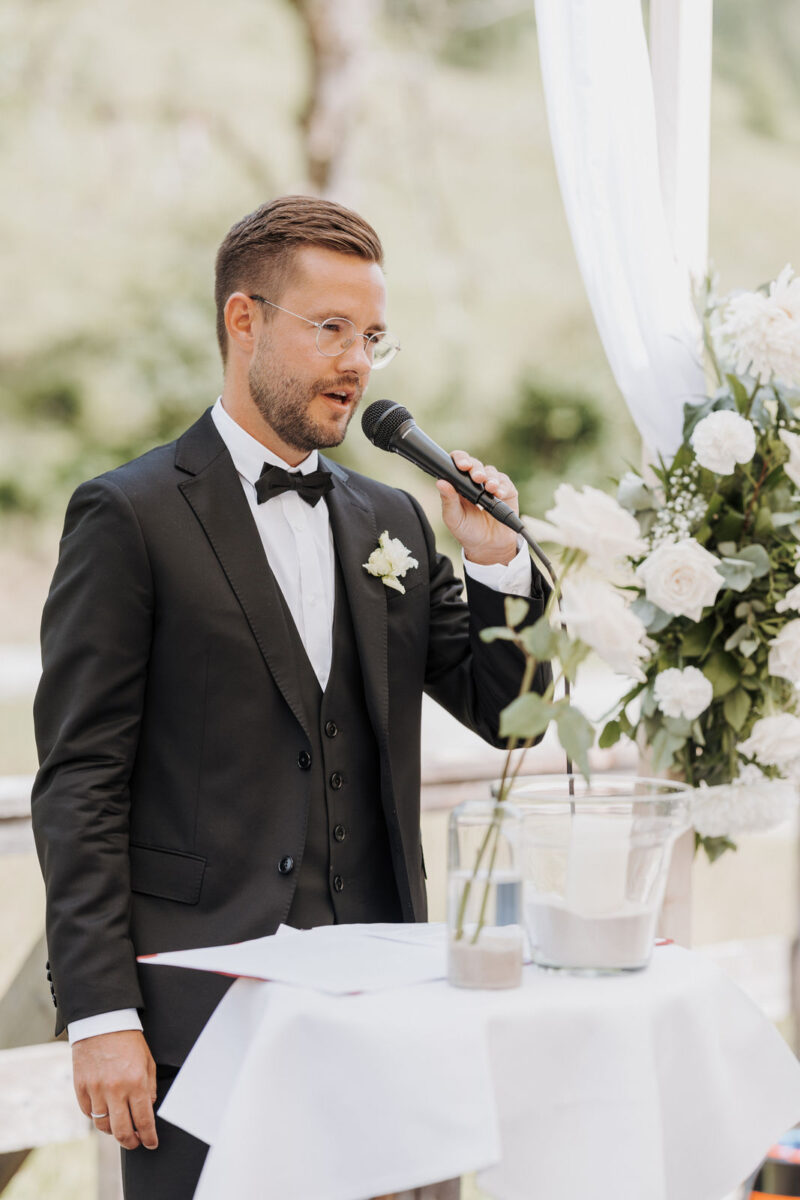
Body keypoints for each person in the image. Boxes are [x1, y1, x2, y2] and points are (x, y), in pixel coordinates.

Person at [31, 195, 550, 1198]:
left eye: (370, 338)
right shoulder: (128, 516)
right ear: (243, 320)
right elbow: (81, 780)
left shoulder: (389, 516)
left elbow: (503, 709)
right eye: (328, 330)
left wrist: (493, 566)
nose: (354, 362)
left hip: (382, 1006)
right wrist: (102, 1015)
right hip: (198, 1021)